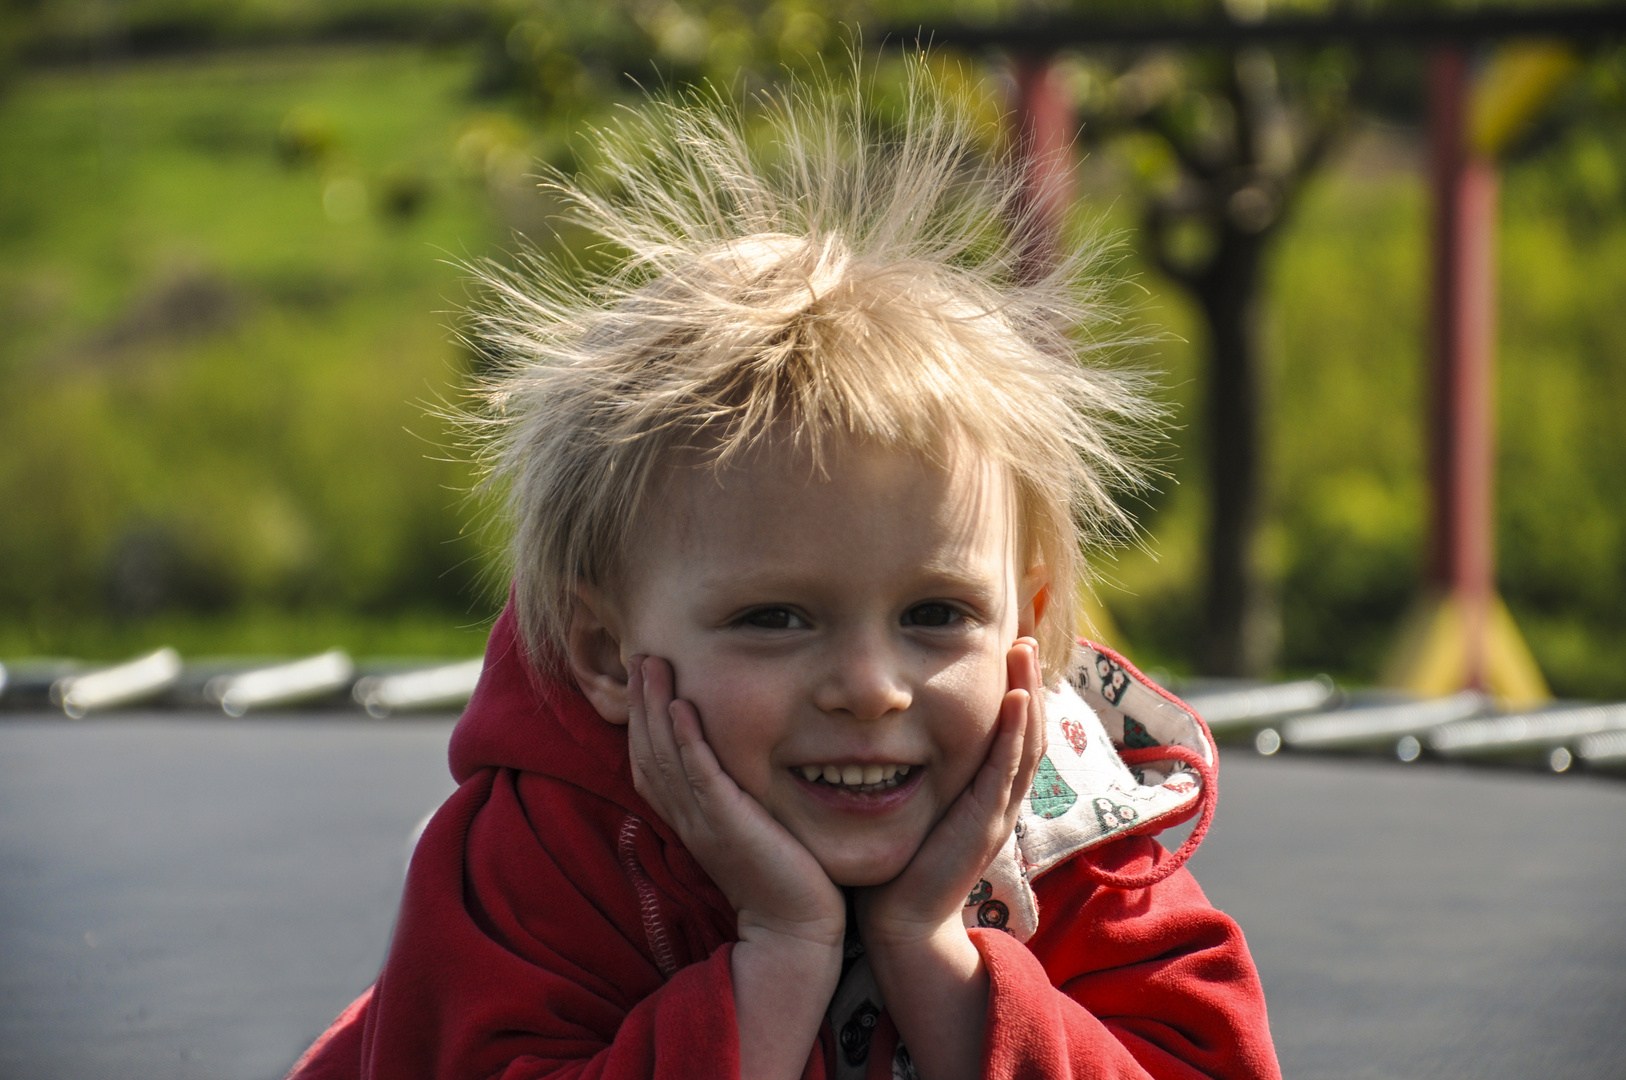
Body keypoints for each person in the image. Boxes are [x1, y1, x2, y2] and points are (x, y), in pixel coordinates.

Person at [288, 60, 1281, 1080]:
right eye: (777, 620)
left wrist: (934, 958)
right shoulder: (549, 851)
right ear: (604, 651)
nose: (870, 686)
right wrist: (783, 952)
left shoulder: (1064, 823)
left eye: (937, 613)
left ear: (1025, 623)